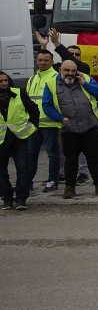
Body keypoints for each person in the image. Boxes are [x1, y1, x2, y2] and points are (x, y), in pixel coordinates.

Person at [41, 61, 98, 199]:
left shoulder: (86, 78)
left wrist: (85, 84)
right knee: (70, 161)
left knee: (94, 159)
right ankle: (70, 188)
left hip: (90, 127)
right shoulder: (51, 84)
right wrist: (60, 118)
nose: (70, 73)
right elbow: (46, 105)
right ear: (60, 70)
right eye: (67, 70)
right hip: (69, 130)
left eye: (73, 71)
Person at [0, 71, 39, 210]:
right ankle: (7, 198)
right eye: (1, 81)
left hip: (19, 137)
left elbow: (34, 110)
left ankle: (21, 199)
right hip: (1, 140)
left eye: (5, 80)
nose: (4, 83)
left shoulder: (19, 93)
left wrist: (32, 126)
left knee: (23, 169)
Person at [25, 48, 61, 193]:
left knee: (52, 154)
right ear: (36, 61)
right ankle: (27, 182)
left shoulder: (56, 77)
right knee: (30, 154)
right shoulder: (33, 78)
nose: (43, 62)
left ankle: (52, 181)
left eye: (46, 60)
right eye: (40, 60)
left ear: (52, 61)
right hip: (33, 124)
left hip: (50, 123)